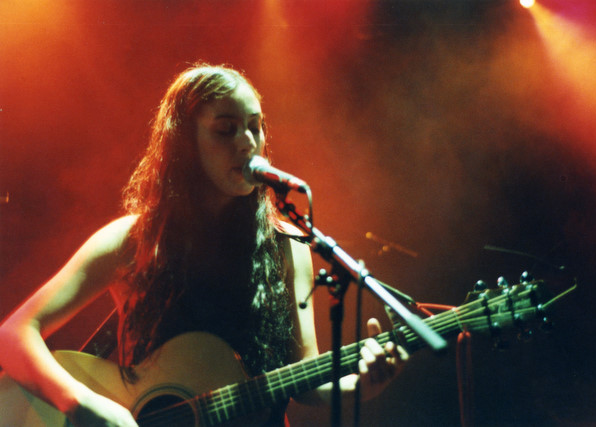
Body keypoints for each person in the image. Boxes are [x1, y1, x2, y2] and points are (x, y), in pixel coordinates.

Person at [0, 63, 408, 426]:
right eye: (225, 129)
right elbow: (14, 334)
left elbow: (305, 380)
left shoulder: (287, 244)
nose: (247, 142)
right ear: (185, 143)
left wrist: (360, 386)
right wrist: (80, 402)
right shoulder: (135, 240)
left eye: (255, 125)